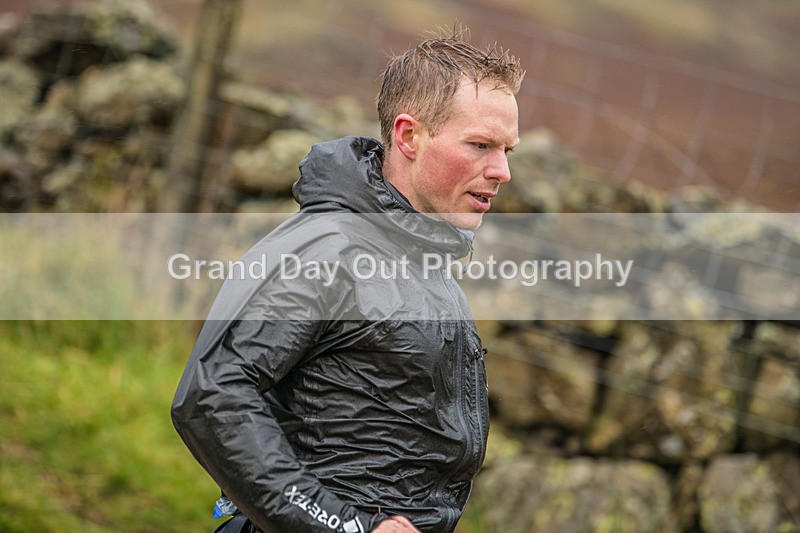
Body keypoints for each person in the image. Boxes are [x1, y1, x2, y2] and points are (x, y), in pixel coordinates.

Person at [171, 27, 523, 533]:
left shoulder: (420, 253)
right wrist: (345, 525)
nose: (502, 170)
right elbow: (212, 396)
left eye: (508, 149)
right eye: (481, 145)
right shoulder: (328, 250)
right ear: (408, 137)